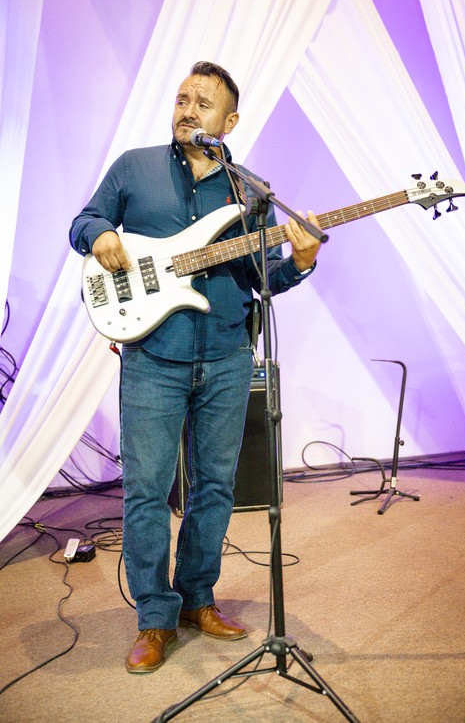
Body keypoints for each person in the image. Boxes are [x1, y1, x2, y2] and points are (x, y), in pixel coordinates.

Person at [70, 61, 321, 674]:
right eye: (182, 98)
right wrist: (99, 234)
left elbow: (261, 279)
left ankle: (196, 599)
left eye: (203, 103)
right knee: (147, 491)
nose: (187, 110)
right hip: (153, 358)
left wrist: (301, 262)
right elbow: (83, 221)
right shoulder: (135, 167)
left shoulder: (251, 191)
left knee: (214, 489)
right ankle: (154, 617)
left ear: (229, 121)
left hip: (228, 357)